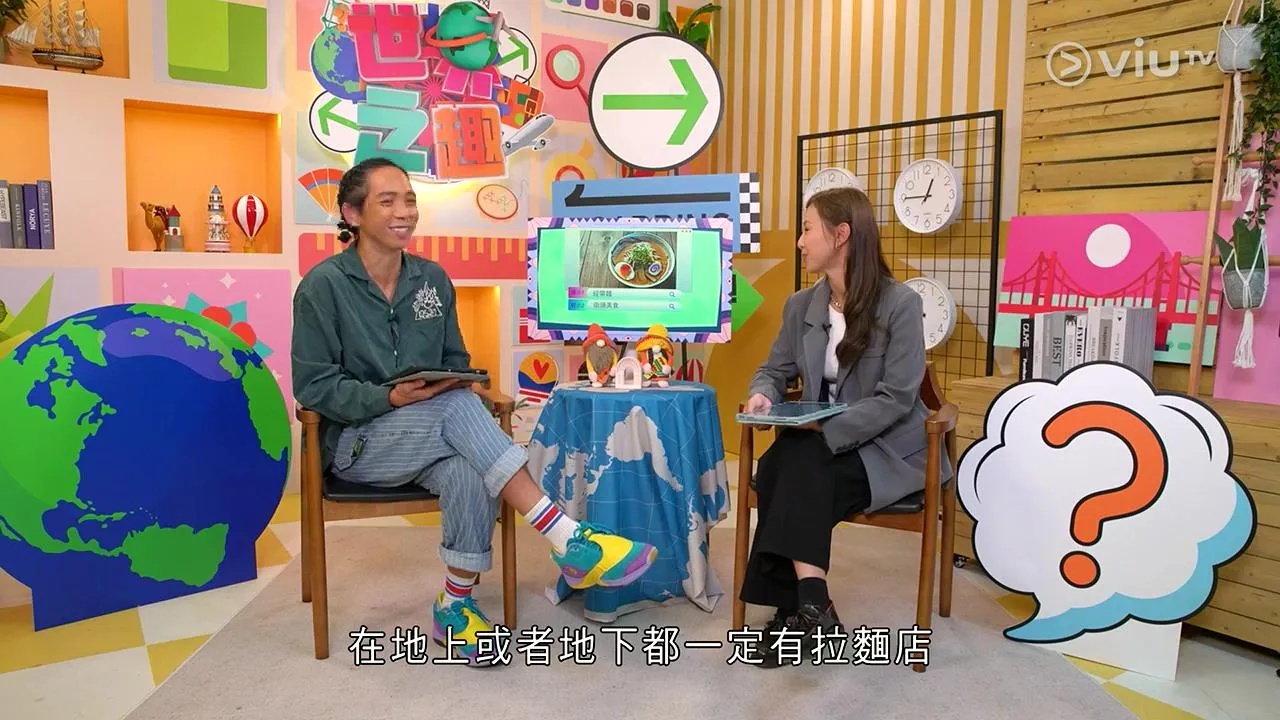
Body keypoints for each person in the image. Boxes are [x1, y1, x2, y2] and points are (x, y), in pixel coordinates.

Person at [291, 157, 658, 665]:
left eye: (410, 200)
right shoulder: (322, 287)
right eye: (387, 201)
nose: (405, 212)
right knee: (459, 411)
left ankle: (454, 606)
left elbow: (455, 360)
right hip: (359, 444)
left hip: (432, 431)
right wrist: (388, 398)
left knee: (470, 465)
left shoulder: (432, 279)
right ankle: (564, 535)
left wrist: (451, 379)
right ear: (352, 215)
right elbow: (314, 386)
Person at [738, 186, 950, 668]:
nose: (799, 241)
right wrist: (764, 393)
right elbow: (774, 370)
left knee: (784, 467)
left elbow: (897, 398)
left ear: (841, 235)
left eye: (807, 229)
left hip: (885, 448)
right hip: (818, 448)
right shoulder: (801, 306)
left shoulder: (899, 304)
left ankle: (798, 611)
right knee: (787, 463)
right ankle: (813, 607)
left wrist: (825, 431)